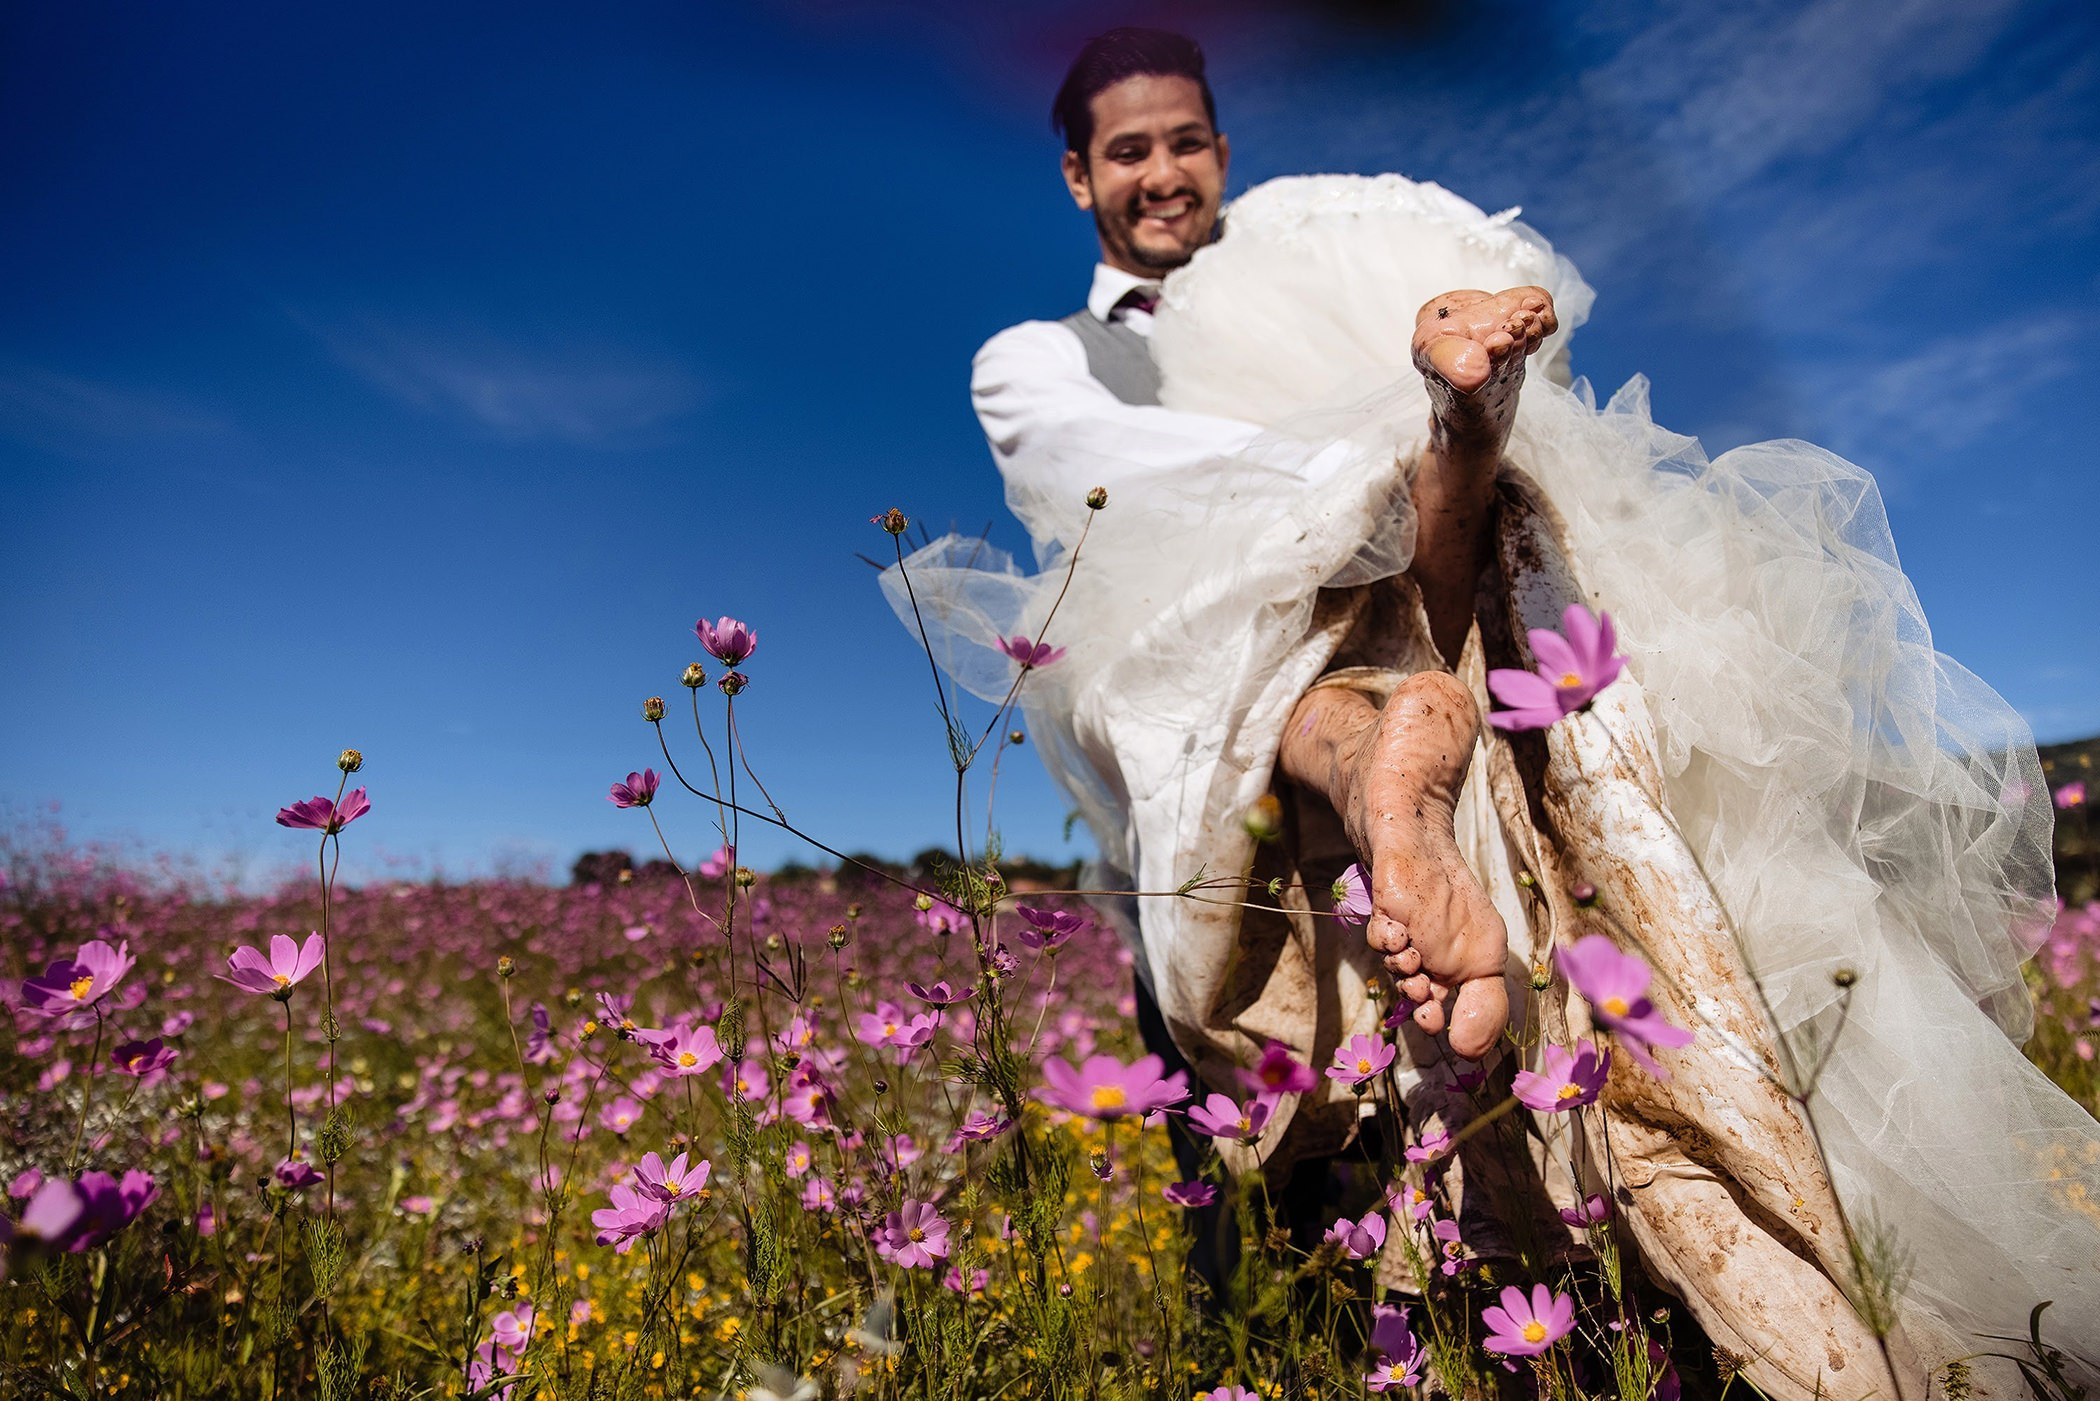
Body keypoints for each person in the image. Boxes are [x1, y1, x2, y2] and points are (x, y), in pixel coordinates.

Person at [883, 26, 2100, 1397]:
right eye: (1128, 151)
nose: (1161, 173)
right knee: (1239, 1155)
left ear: (1222, 153)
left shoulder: (1310, 268)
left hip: (1413, 631)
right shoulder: (1035, 358)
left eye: (1183, 142)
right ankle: (1432, 527)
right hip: (1201, 730)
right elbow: (1150, 495)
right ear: (1075, 177)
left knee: (1439, 1057)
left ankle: (1424, 634)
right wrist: (1383, 448)